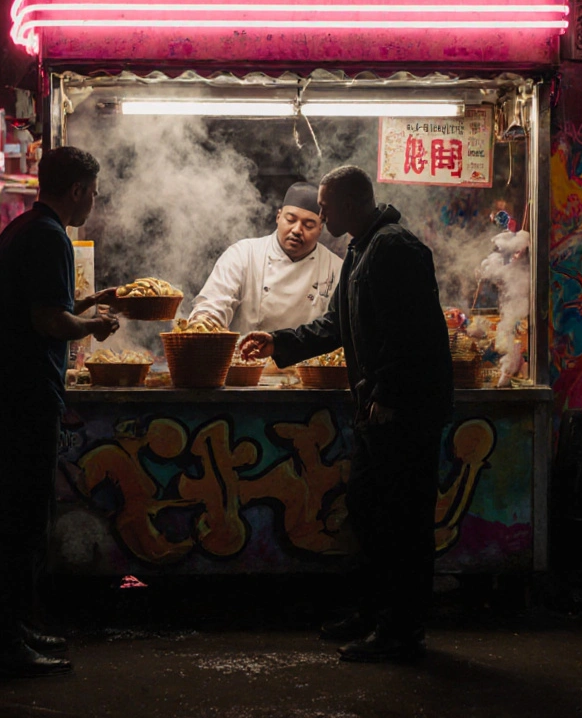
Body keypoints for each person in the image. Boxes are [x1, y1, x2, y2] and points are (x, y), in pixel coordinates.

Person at [240, 165, 454, 664]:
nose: (322, 214)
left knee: (401, 522)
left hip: (405, 411)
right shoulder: (361, 247)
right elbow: (338, 323)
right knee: (367, 511)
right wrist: (281, 342)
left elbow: (413, 335)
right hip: (378, 407)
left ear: (354, 203)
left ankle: (401, 630)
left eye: (327, 207)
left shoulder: (396, 248)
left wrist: (388, 393)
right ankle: (371, 613)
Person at [0, 146, 121, 682]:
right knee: (19, 518)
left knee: (18, 513)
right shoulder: (51, 235)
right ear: (77, 189)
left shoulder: (26, 227)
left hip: (2, 384)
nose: (94, 202)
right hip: (21, 391)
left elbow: (45, 307)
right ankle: (1, 644)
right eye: (94, 192)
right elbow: (46, 321)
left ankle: (13, 626)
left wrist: (83, 303)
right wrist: (91, 326)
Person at [189, 181, 343, 335]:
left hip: (311, 358)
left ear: (320, 228)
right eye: (290, 220)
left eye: (308, 225)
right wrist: (204, 322)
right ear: (278, 217)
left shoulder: (336, 268)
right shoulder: (243, 254)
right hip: (246, 356)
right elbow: (215, 303)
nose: (297, 230)